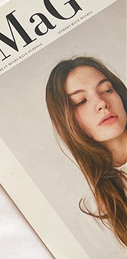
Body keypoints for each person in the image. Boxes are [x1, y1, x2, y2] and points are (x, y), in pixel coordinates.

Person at [45, 56, 127, 248]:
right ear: (67, 121)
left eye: (107, 90)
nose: (102, 103)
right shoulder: (95, 210)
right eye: (81, 101)